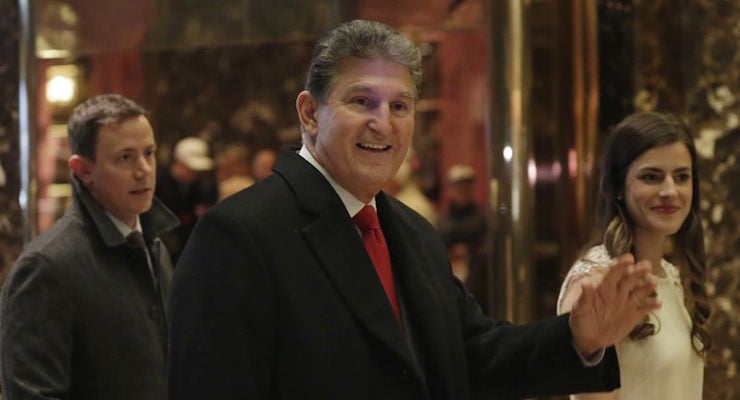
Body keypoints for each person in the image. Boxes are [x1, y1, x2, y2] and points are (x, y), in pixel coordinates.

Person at [167, 20, 660, 399]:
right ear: (310, 112)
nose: (384, 124)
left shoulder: (411, 231)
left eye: (400, 107)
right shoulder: (239, 236)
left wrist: (577, 336)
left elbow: (472, 355)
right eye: (362, 101)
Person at [0, 94, 179, 399]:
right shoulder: (46, 267)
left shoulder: (154, 245)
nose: (143, 170)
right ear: (82, 169)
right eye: (125, 157)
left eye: (148, 153)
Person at [557, 112, 711, 399]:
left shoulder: (672, 275)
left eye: (681, 177)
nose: (670, 190)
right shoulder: (596, 280)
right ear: (617, 187)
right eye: (651, 177)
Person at [155, 136, 218, 262]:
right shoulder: (158, 183)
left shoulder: (201, 186)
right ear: (178, 164)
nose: (195, 174)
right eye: (190, 169)